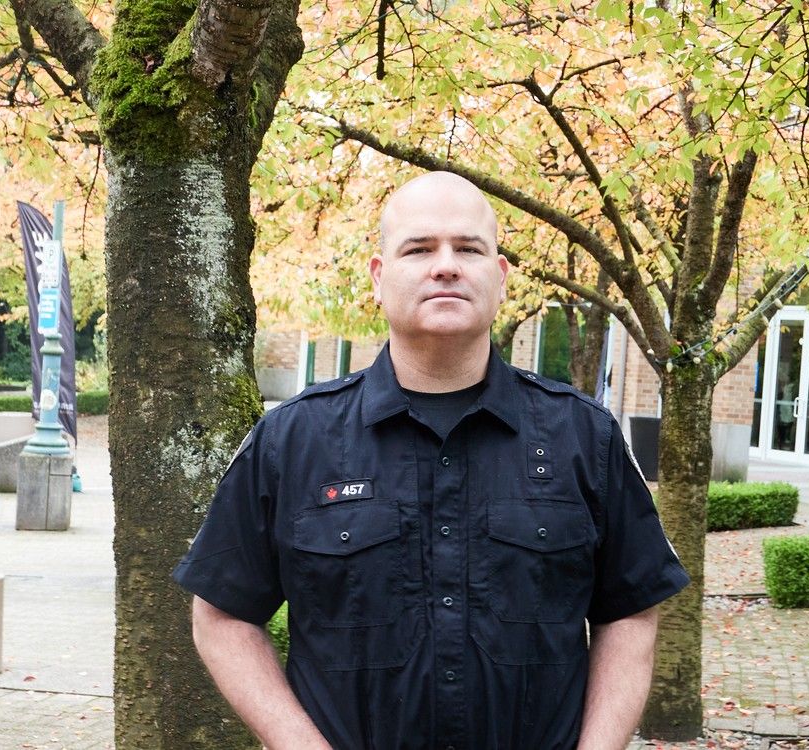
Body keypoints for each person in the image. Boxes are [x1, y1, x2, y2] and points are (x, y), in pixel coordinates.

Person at [172, 171, 689, 750]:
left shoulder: (583, 437)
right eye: (419, 249)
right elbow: (221, 615)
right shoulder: (292, 441)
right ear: (379, 276)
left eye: (468, 248)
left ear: (499, 278)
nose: (446, 265)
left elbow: (630, 611)